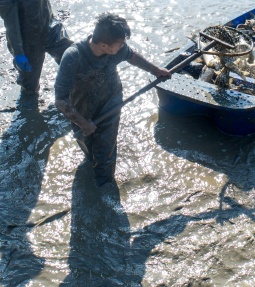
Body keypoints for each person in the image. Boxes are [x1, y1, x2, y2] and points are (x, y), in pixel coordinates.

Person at [55, 13, 171, 186]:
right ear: (103, 45)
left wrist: (156, 71)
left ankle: (105, 189)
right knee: (87, 144)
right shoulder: (73, 57)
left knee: (105, 152)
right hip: (83, 109)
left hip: (111, 103)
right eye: (119, 44)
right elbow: (61, 101)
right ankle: (92, 167)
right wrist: (83, 123)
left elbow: (132, 56)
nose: (122, 46)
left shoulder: (118, 49)